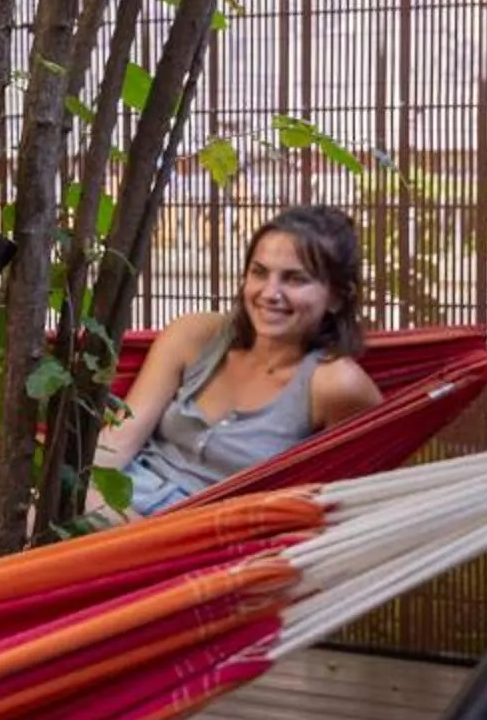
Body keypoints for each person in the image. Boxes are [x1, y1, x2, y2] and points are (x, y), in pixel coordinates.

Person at [95, 203, 383, 515]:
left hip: (194, 541)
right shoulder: (195, 336)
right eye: (259, 273)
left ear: (337, 298)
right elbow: (120, 441)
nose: (270, 293)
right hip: (117, 498)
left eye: (295, 279)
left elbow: (342, 507)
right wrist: (71, 491)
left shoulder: (335, 385)